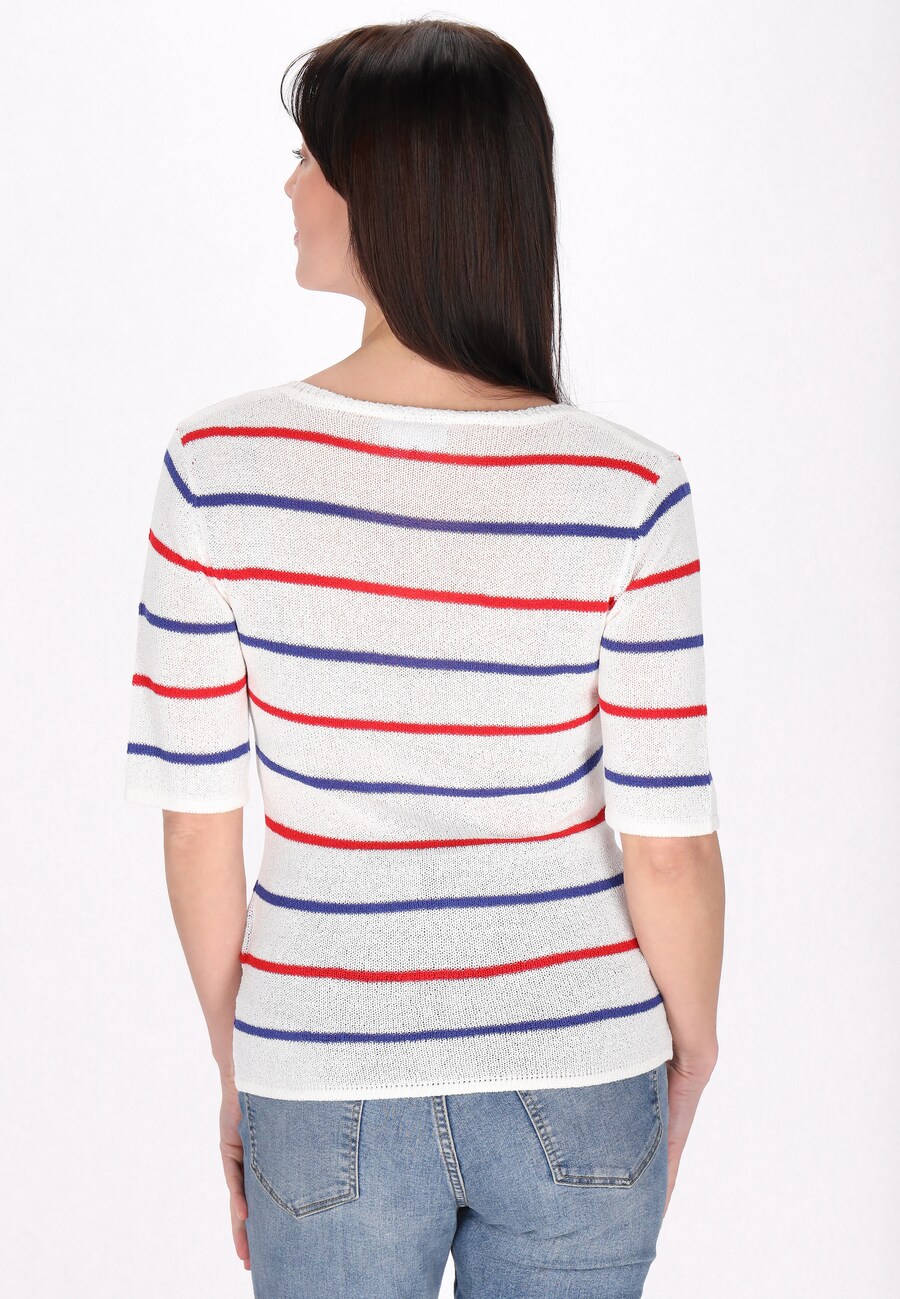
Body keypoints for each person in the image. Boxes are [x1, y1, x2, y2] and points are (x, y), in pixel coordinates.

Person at [124, 17, 725, 1299]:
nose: (289, 185)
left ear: (388, 188)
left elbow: (195, 825)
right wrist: (696, 1045)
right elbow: (669, 846)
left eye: (310, 157)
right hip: (583, 1068)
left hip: (321, 1071)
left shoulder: (218, 467)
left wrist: (242, 1062)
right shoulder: (628, 484)